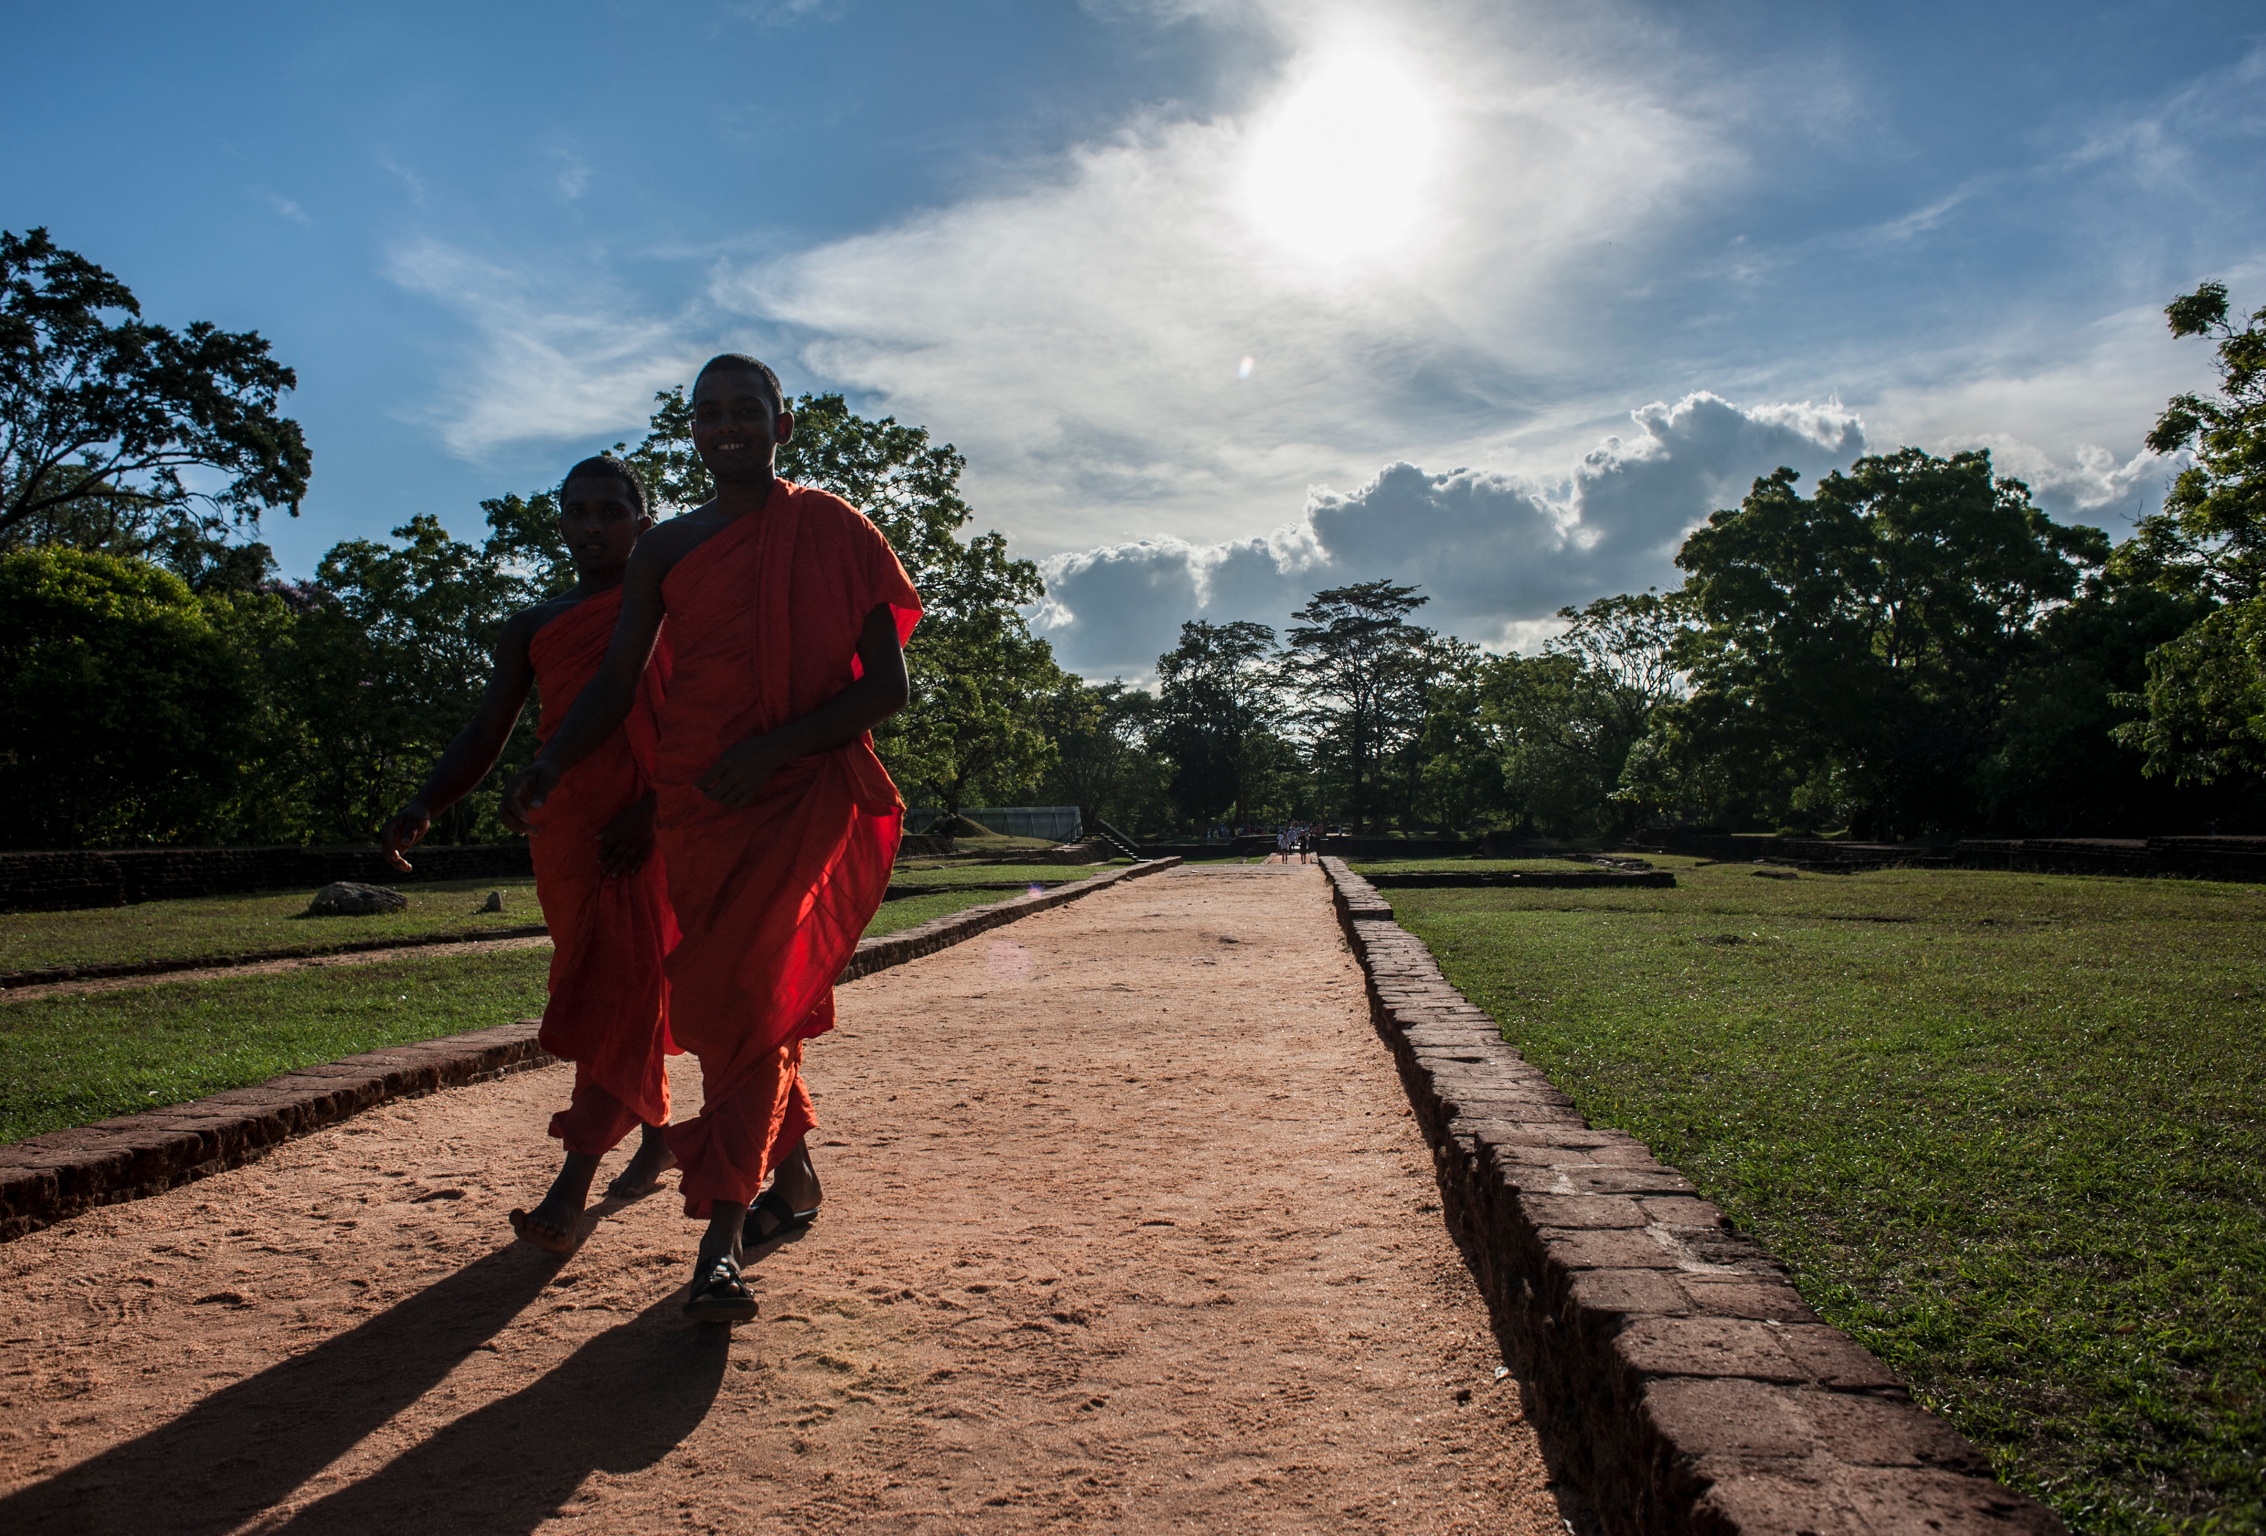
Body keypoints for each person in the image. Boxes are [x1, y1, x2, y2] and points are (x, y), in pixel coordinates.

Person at [502, 354, 920, 1325]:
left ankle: (719, 1243)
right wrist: (554, 759)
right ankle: (798, 1180)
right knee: (743, 1012)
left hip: (795, 799)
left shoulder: (833, 530)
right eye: (708, 413)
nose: (726, 426)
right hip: (696, 809)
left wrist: (774, 748)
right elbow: (613, 685)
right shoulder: (668, 550)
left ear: (784, 425)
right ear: (691, 431)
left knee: (747, 1003)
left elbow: (884, 687)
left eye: (746, 410)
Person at [382, 455, 679, 1254]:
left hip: (650, 831)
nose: (593, 525)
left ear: (642, 522)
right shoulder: (535, 623)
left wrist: (654, 810)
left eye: (611, 510)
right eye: (577, 511)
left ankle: (572, 1182)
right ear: (560, 524)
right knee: (602, 983)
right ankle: (655, 1133)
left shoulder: (671, 609)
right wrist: (427, 800)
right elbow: (489, 732)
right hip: (567, 833)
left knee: (619, 985)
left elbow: (701, 725)